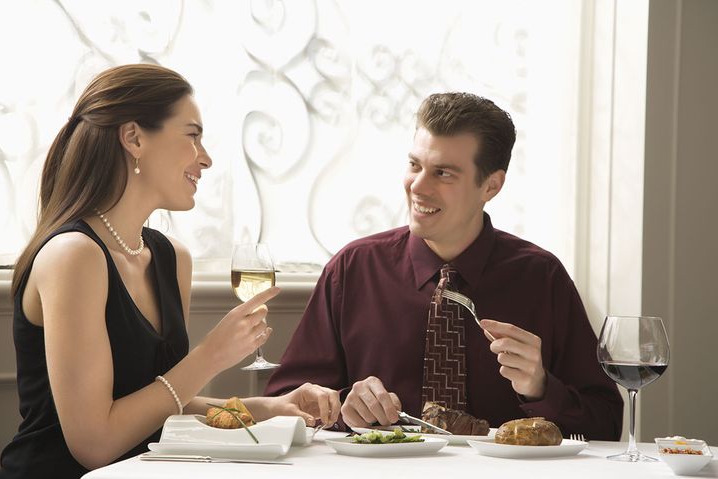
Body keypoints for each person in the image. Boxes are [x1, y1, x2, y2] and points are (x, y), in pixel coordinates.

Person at [0, 64, 340, 479]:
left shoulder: (171, 257)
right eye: (193, 135)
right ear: (134, 138)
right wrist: (210, 357)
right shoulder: (74, 256)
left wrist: (266, 409)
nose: (206, 158)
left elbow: (157, 405)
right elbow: (95, 443)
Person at [265, 92, 623, 440]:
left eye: (444, 173)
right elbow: (283, 406)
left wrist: (540, 388)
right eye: (414, 165)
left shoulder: (543, 279)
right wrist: (343, 406)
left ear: (491, 186)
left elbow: (607, 423)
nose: (418, 187)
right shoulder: (352, 270)